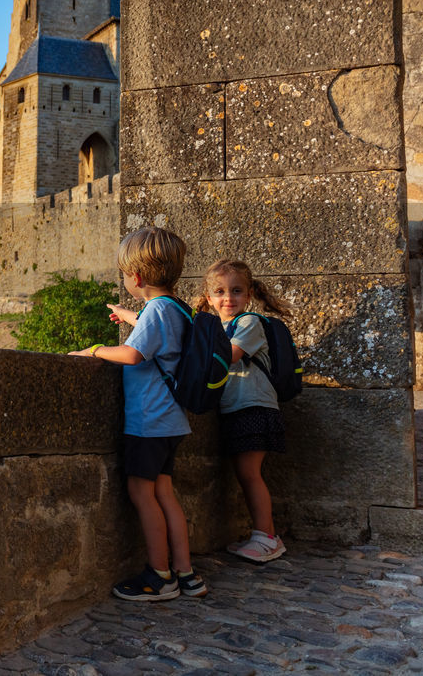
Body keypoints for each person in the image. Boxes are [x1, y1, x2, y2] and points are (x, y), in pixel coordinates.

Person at [70, 226, 207, 601]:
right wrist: (130, 316)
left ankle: (160, 576)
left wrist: (93, 350)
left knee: (142, 493)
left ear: (138, 276)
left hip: (148, 420)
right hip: (172, 420)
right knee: (166, 494)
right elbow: (159, 334)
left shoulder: (158, 310)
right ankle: (186, 573)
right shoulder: (177, 307)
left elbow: (133, 354)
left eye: (124, 274)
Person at [195, 259, 293, 563]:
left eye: (236, 291)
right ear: (209, 298)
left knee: (250, 474)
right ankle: (260, 535)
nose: (228, 298)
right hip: (237, 408)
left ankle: (267, 537)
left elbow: (230, 355)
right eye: (220, 292)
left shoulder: (249, 323)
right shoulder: (220, 327)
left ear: (248, 294)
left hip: (254, 406)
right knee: (244, 473)